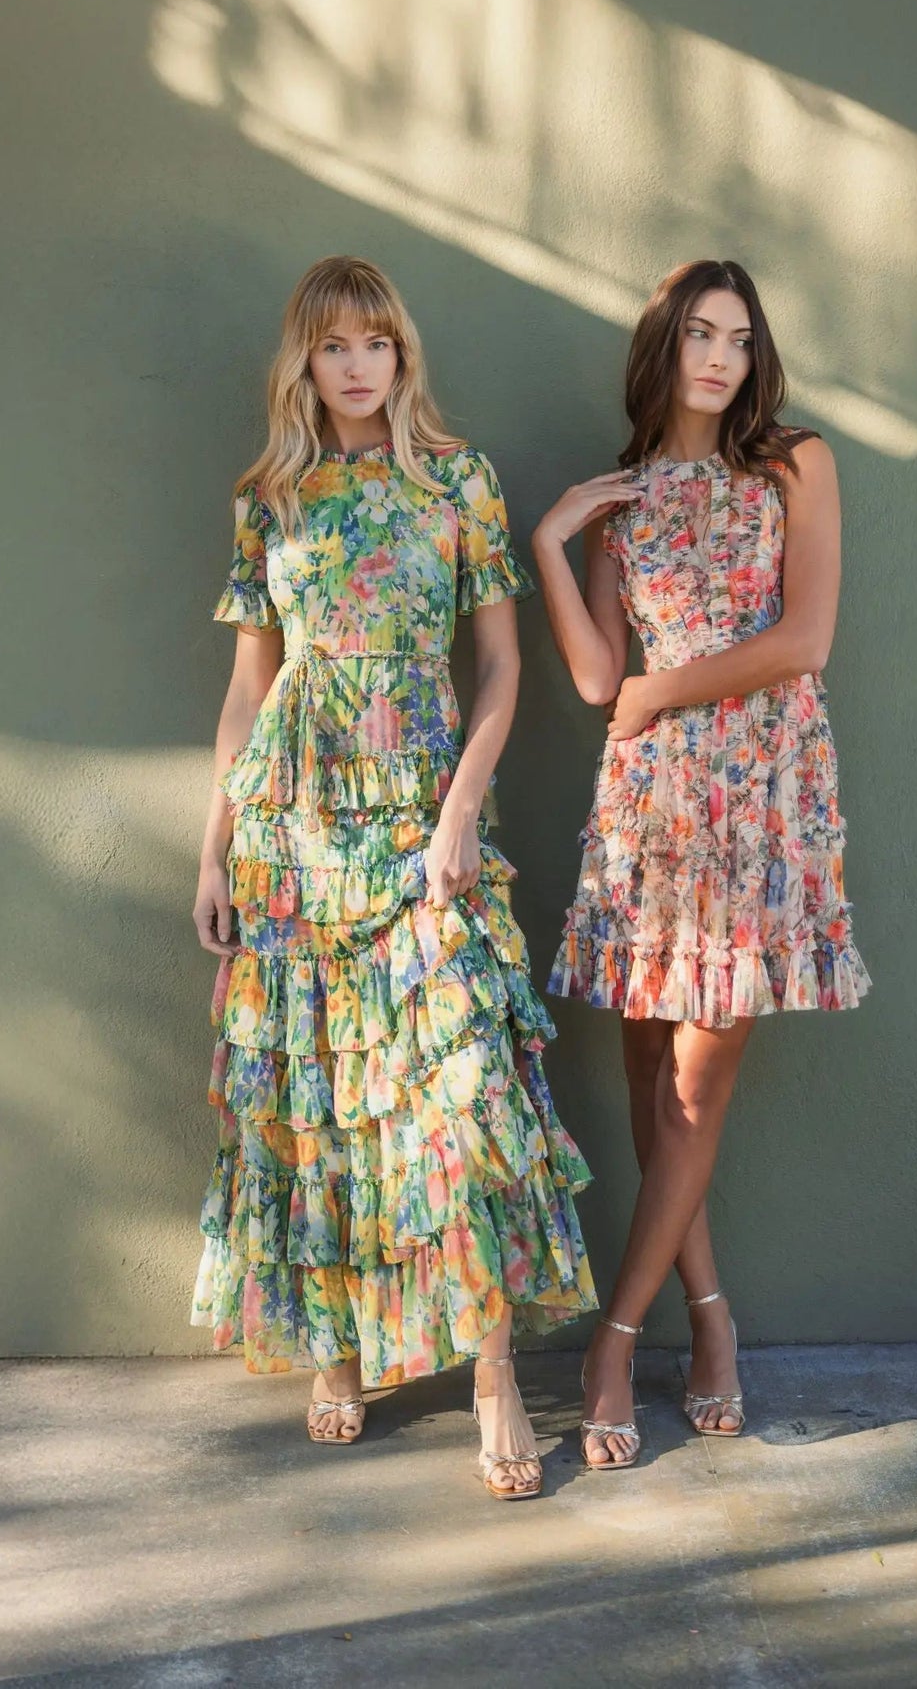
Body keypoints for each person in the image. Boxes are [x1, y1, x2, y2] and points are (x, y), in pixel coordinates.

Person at [190, 255, 596, 1500]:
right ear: (305, 365)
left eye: (375, 342)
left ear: (402, 355)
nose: (357, 365)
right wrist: (215, 846)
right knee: (317, 1093)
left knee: (460, 1092)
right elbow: (251, 687)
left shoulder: (458, 482)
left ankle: (491, 1379)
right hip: (295, 829)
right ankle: (338, 1350)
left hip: (425, 817)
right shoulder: (272, 496)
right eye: (333, 346)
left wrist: (461, 813)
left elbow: (502, 668)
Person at [533, 259, 870, 1470]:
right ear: (664, 346)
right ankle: (713, 1317)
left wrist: (661, 690)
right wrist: (550, 539)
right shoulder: (622, 495)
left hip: (762, 795)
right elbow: (593, 678)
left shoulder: (795, 463)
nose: (721, 358)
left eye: (739, 337)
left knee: (695, 1091)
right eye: (699, 335)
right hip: (653, 808)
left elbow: (805, 639)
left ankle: (615, 1344)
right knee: (649, 1081)